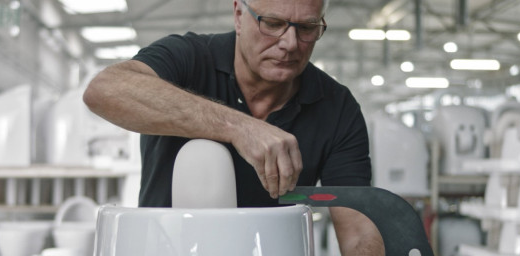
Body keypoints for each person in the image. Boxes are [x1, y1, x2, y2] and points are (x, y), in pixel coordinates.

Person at [84, 0, 384, 254]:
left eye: (307, 28)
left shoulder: (337, 107)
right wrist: (241, 128)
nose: (290, 43)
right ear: (239, 15)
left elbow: (358, 230)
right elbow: (104, 90)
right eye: (273, 23)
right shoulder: (188, 58)